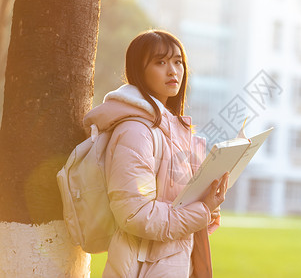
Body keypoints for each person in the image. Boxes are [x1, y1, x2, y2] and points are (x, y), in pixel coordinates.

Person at [84, 30, 229, 278]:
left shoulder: (175, 129)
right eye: (160, 62)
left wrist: (207, 206)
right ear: (139, 71)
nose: (173, 71)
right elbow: (136, 215)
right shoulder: (135, 131)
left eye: (177, 61)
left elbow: (178, 206)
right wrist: (201, 210)